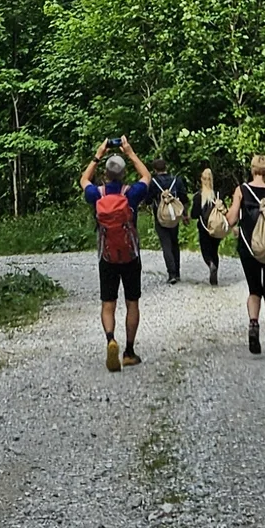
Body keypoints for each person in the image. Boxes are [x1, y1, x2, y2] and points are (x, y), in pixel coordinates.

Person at [79, 136, 161, 370]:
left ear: (105, 174)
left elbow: (83, 179)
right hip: (130, 255)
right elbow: (147, 177)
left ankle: (110, 339)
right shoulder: (131, 194)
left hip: (107, 255)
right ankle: (129, 351)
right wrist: (131, 152)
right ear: (124, 174)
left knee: (108, 302)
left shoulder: (97, 194)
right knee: (132, 302)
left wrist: (98, 153)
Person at [226, 152, 265, 358]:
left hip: (249, 247)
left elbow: (232, 218)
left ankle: (254, 324)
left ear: (253, 170)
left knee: (254, 289)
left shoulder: (241, 190)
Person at [151, 162, 189, 282]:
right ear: (166, 167)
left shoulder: (153, 182)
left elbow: (147, 200)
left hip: (160, 217)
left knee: (166, 244)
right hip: (174, 217)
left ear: (155, 169)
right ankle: (177, 272)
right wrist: (185, 214)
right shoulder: (176, 180)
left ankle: (171, 274)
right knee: (174, 242)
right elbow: (183, 197)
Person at [194, 168, 226, 286]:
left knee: (205, 251)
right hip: (216, 227)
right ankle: (215, 271)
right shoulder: (218, 195)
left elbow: (194, 214)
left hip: (204, 228)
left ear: (202, 179)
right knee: (214, 250)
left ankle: (210, 264)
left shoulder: (198, 196)